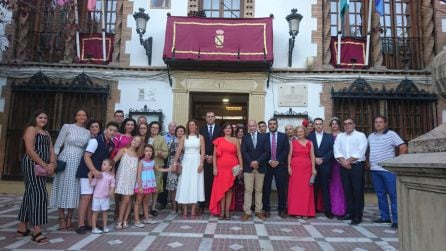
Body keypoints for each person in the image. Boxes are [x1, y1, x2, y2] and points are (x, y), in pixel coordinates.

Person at [16, 110, 56, 245]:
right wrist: (45, 165)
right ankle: (36, 231)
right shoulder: (31, 129)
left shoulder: (47, 133)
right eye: (40, 117)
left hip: (43, 167)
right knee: (40, 194)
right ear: (35, 118)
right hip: (32, 165)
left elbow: (51, 150)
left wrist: (52, 163)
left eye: (45, 117)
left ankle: (22, 228)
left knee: (30, 194)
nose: (43, 119)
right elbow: (29, 150)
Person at [50, 109, 91, 231]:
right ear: (75, 117)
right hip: (66, 159)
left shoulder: (87, 132)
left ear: (86, 117)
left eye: (84, 115)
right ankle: (61, 217)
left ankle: (69, 217)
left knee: (74, 189)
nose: (81, 117)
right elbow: (57, 145)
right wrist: (54, 162)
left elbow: (87, 149)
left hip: (79, 162)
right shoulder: (67, 127)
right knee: (63, 188)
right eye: (79, 115)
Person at [75, 121, 119, 234]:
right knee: (86, 197)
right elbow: (87, 156)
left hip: (98, 174)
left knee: (92, 198)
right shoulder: (95, 141)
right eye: (110, 130)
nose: (112, 132)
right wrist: (93, 170)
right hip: (87, 172)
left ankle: (90, 223)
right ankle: (80, 224)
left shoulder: (111, 144)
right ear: (105, 130)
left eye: (114, 131)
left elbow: (107, 161)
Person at [368, 116, 407, 229]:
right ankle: (385, 217)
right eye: (376, 122)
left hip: (388, 171)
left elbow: (403, 147)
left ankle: (396, 220)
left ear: (385, 124)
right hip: (375, 170)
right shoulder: (371, 136)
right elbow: (370, 150)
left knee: (393, 195)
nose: (378, 124)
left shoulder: (392, 134)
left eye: (381, 122)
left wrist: (398, 162)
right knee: (380, 195)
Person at [334, 118, 368, 225]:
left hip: (357, 166)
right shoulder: (340, 136)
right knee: (347, 190)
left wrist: (347, 161)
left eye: (349, 123)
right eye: (345, 124)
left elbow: (361, 151)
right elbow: (336, 150)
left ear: (354, 124)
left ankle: (358, 216)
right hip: (344, 166)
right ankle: (350, 212)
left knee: (357, 191)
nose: (347, 125)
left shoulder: (360, 135)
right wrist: (343, 162)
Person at [209, 123, 243, 220]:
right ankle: (222, 211)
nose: (228, 129)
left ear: (232, 130)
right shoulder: (218, 140)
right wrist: (214, 168)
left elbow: (239, 154)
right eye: (226, 128)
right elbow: (214, 156)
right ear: (223, 130)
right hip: (220, 169)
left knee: (229, 190)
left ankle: (227, 211)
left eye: (230, 128)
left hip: (232, 169)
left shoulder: (236, 140)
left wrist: (241, 167)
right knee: (221, 190)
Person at [173, 120, 205, 219]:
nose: (191, 126)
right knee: (185, 184)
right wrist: (175, 162)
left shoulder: (200, 137)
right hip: (186, 162)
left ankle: (193, 209)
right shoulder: (184, 137)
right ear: (188, 126)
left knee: (195, 184)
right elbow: (178, 150)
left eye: (193, 125)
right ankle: (185, 210)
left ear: (196, 126)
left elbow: (203, 151)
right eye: (190, 125)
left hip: (196, 161)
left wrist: (201, 164)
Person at [134, 144, 171, 227]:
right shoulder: (141, 162)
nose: (148, 153)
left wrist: (169, 169)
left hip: (149, 185)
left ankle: (146, 219)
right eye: (146, 151)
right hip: (142, 185)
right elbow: (138, 175)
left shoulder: (153, 162)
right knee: (138, 202)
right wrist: (140, 187)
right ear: (143, 152)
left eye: (150, 151)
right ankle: (137, 221)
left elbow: (159, 169)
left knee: (146, 202)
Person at [241, 120, 269, 221]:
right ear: (247, 127)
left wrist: (257, 162)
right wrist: (252, 162)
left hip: (260, 167)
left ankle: (258, 211)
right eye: (250, 126)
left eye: (253, 126)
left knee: (259, 190)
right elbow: (244, 152)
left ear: (256, 126)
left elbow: (266, 152)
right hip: (248, 167)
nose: (252, 127)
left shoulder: (264, 136)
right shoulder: (245, 137)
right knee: (248, 190)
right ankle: (247, 212)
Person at [307, 118, 334, 219]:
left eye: (320, 124)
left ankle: (328, 210)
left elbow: (332, 151)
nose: (318, 126)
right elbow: (307, 151)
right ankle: (312, 210)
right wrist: (314, 160)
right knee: (313, 188)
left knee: (325, 189)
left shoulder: (329, 137)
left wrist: (323, 159)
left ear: (323, 125)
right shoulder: (309, 137)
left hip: (325, 165)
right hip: (312, 167)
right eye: (316, 124)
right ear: (314, 125)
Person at [113, 136, 143, 229]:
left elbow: (137, 171)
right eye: (134, 140)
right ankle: (120, 220)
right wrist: (112, 175)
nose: (135, 142)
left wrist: (139, 183)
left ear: (139, 144)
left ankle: (124, 220)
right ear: (131, 140)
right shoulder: (123, 150)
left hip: (131, 179)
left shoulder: (137, 155)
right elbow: (113, 162)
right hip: (122, 177)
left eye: (138, 142)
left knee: (129, 199)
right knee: (125, 199)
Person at [288, 126, 317, 218]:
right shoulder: (293, 143)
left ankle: (306, 212)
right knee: (296, 190)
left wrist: (313, 169)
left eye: (301, 131)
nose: (300, 133)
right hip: (295, 168)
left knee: (306, 190)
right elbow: (289, 155)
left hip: (307, 168)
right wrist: (289, 167)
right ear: (296, 133)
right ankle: (296, 211)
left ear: (304, 132)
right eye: (298, 132)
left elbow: (312, 156)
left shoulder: (310, 143)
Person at [263, 118, 290, 218]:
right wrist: (269, 161)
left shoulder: (283, 136)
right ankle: (266, 209)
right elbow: (262, 151)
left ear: (277, 125)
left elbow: (286, 150)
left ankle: (281, 209)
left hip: (280, 166)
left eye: (274, 124)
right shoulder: (264, 137)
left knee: (281, 188)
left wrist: (277, 161)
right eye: (270, 124)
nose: (272, 125)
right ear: (268, 126)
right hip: (267, 166)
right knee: (266, 188)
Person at [198, 111, 220, 213]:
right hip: (204, 159)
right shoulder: (201, 130)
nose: (210, 118)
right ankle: (202, 205)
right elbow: (199, 145)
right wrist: (206, 156)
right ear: (205, 118)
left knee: (215, 183)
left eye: (212, 116)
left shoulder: (220, 129)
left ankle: (213, 204)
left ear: (215, 118)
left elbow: (221, 144)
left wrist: (213, 156)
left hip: (217, 161)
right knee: (203, 183)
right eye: (208, 117)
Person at [88, 158, 115, 234]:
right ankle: (94, 228)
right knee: (95, 212)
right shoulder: (99, 175)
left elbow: (112, 185)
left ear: (110, 167)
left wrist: (111, 192)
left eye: (104, 164)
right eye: (102, 164)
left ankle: (105, 226)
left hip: (105, 197)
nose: (102, 166)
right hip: (96, 197)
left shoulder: (111, 177)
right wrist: (90, 177)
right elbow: (92, 184)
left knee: (104, 212)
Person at [147, 121, 168, 216]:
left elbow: (165, 153)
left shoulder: (161, 139)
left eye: (156, 128)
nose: (154, 129)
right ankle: (145, 207)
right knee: (146, 186)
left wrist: (161, 153)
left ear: (159, 129)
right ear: (150, 128)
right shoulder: (146, 138)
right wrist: (156, 153)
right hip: (145, 165)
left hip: (158, 164)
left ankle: (153, 207)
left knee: (155, 187)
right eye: (153, 127)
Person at [328, 117, 346, 217]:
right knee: (332, 184)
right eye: (332, 124)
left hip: (340, 163)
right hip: (331, 163)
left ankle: (341, 208)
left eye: (336, 123)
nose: (334, 125)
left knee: (340, 185)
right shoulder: (328, 136)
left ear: (339, 125)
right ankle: (333, 207)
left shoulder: (343, 136)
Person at [166, 125, 186, 213]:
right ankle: (174, 207)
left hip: (183, 164)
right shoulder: (171, 141)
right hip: (172, 164)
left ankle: (181, 207)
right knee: (173, 187)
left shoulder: (187, 141)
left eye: (182, 131)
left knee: (182, 186)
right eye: (178, 131)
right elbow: (168, 153)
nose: (180, 133)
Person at [158, 121, 177, 209]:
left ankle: (176, 202)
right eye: (171, 126)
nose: (173, 128)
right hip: (165, 160)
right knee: (164, 179)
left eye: (174, 126)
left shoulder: (179, 136)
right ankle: (163, 202)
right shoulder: (163, 137)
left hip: (175, 160)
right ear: (168, 128)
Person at [233, 126, 246, 211]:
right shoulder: (233, 141)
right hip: (234, 165)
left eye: (242, 131)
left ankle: (242, 205)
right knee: (235, 185)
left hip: (245, 164)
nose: (240, 133)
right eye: (239, 131)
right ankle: (235, 205)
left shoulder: (246, 141)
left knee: (243, 185)